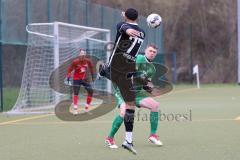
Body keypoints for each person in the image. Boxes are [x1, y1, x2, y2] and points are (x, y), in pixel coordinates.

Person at [99, 8, 145, 154]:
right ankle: (128, 140)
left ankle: (128, 140)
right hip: (122, 70)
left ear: (125, 16)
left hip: (122, 70)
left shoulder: (121, 25)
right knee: (129, 106)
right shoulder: (143, 32)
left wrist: (126, 27)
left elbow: (124, 27)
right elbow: (126, 28)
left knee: (130, 106)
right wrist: (128, 28)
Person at [105, 44, 163, 149]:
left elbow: (146, 83)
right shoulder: (140, 58)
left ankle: (153, 135)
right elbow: (132, 74)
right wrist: (144, 81)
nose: (152, 53)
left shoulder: (152, 69)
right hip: (124, 91)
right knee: (123, 113)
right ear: (145, 51)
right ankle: (110, 137)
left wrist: (149, 88)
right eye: (150, 51)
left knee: (155, 105)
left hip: (137, 94)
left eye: (154, 52)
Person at [66, 49, 94, 115]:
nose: (82, 55)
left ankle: (86, 109)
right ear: (79, 55)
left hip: (84, 79)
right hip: (76, 79)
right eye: (81, 53)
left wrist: (93, 77)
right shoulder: (75, 62)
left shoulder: (88, 61)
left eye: (83, 54)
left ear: (85, 55)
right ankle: (75, 110)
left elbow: (91, 68)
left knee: (91, 91)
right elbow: (69, 70)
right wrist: (68, 76)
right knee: (76, 93)